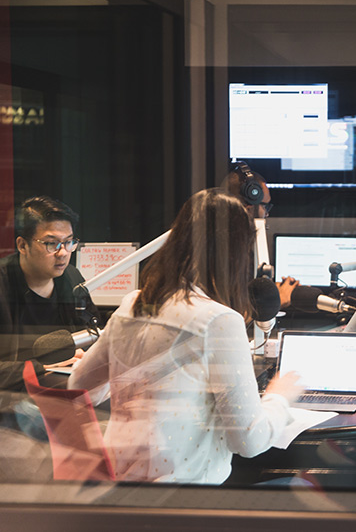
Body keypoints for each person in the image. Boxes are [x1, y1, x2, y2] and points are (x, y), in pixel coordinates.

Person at [68, 188, 304, 484]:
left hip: (122, 496)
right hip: (185, 503)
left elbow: (77, 387)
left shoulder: (133, 304)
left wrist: (120, 375)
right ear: (235, 254)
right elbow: (249, 441)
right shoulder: (219, 322)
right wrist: (279, 397)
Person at [0, 196, 98, 391]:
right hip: (13, 396)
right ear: (22, 246)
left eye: (69, 242)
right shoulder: (4, 283)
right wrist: (41, 367)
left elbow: (92, 333)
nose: (63, 253)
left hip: (64, 385)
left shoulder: (71, 277)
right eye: (51, 244)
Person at [221, 163, 299, 309]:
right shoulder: (226, 254)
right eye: (265, 206)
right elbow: (230, 316)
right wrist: (277, 301)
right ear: (249, 206)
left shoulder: (233, 245)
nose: (267, 214)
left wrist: (267, 290)